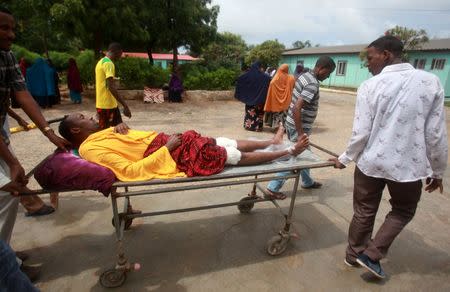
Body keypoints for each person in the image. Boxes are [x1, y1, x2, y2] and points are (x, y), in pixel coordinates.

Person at [329, 36, 448, 279]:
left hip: (370, 163)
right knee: (403, 210)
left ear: (386, 55)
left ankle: (354, 255)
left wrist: (346, 158)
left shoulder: (369, 86)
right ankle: (372, 255)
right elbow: (434, 133)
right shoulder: (430, 82)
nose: (367, 64)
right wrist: (437, 171)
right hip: (408, 166)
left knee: (364, 210)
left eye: (370, 58)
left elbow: (361, 132)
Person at [0, 6, 69, 282]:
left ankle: (5, 254)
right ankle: (5, 267)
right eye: (4, 28)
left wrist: (49, 133)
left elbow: (22, 94)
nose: (11, 34)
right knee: (6, 194)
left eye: (12, 28)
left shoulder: (7, 56)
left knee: (10, 193)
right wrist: (14, 161)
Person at [58, 113, 309, 184]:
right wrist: (165, 149)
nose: (89, 117)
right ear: (76, 131)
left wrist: (120, 126)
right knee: (225, 155)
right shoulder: (91, 150)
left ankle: (271, 142)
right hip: (167, 153)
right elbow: (129, 170)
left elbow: (126, 139)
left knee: (221, 141)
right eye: (82, 118)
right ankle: (287, 152)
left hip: (167, 141)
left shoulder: (100, 133)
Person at [265, 56, 336, 199]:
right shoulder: (312, 84)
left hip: (292, 122)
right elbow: (298, 107)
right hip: (299, 126)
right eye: (328, 73)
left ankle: (307, 181)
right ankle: (273, 187)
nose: (327, 77)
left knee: (304, 155)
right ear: (321, 68)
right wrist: (301, 134)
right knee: (295, 156)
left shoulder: (305, 75)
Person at [6, 109, 55, 216]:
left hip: (3, 137)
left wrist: (18, 118)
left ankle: (33, 204)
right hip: (2, 141)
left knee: (11, 174)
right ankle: (34, 204)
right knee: (9, 175)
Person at [95, 42, 131, 129]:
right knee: (112, 133)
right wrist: (125, 105)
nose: (120, 56)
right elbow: (111, 87)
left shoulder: (101, 62)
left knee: (115, 131)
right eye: (121, 53)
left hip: (104, 104)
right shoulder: (109, 64)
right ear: (117, 52)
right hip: (108, 106)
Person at [235, 61, 271, 132]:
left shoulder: (246, 76)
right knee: (259, 114)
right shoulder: (265, 77)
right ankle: (258, 127)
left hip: (249, 99)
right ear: (259, 67)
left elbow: (239, 79)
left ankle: (249, 126)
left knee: (250, 113)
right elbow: (269, 81)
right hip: (260, 100)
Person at [263, 64, 295, 128]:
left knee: (277, 115)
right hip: (287, 101)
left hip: (276, 102)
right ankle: (284, 128)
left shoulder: (274, 80)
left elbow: (271, 86)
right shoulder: (291, 78)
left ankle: (276, 127)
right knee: (285, 115)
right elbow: (293, 86)